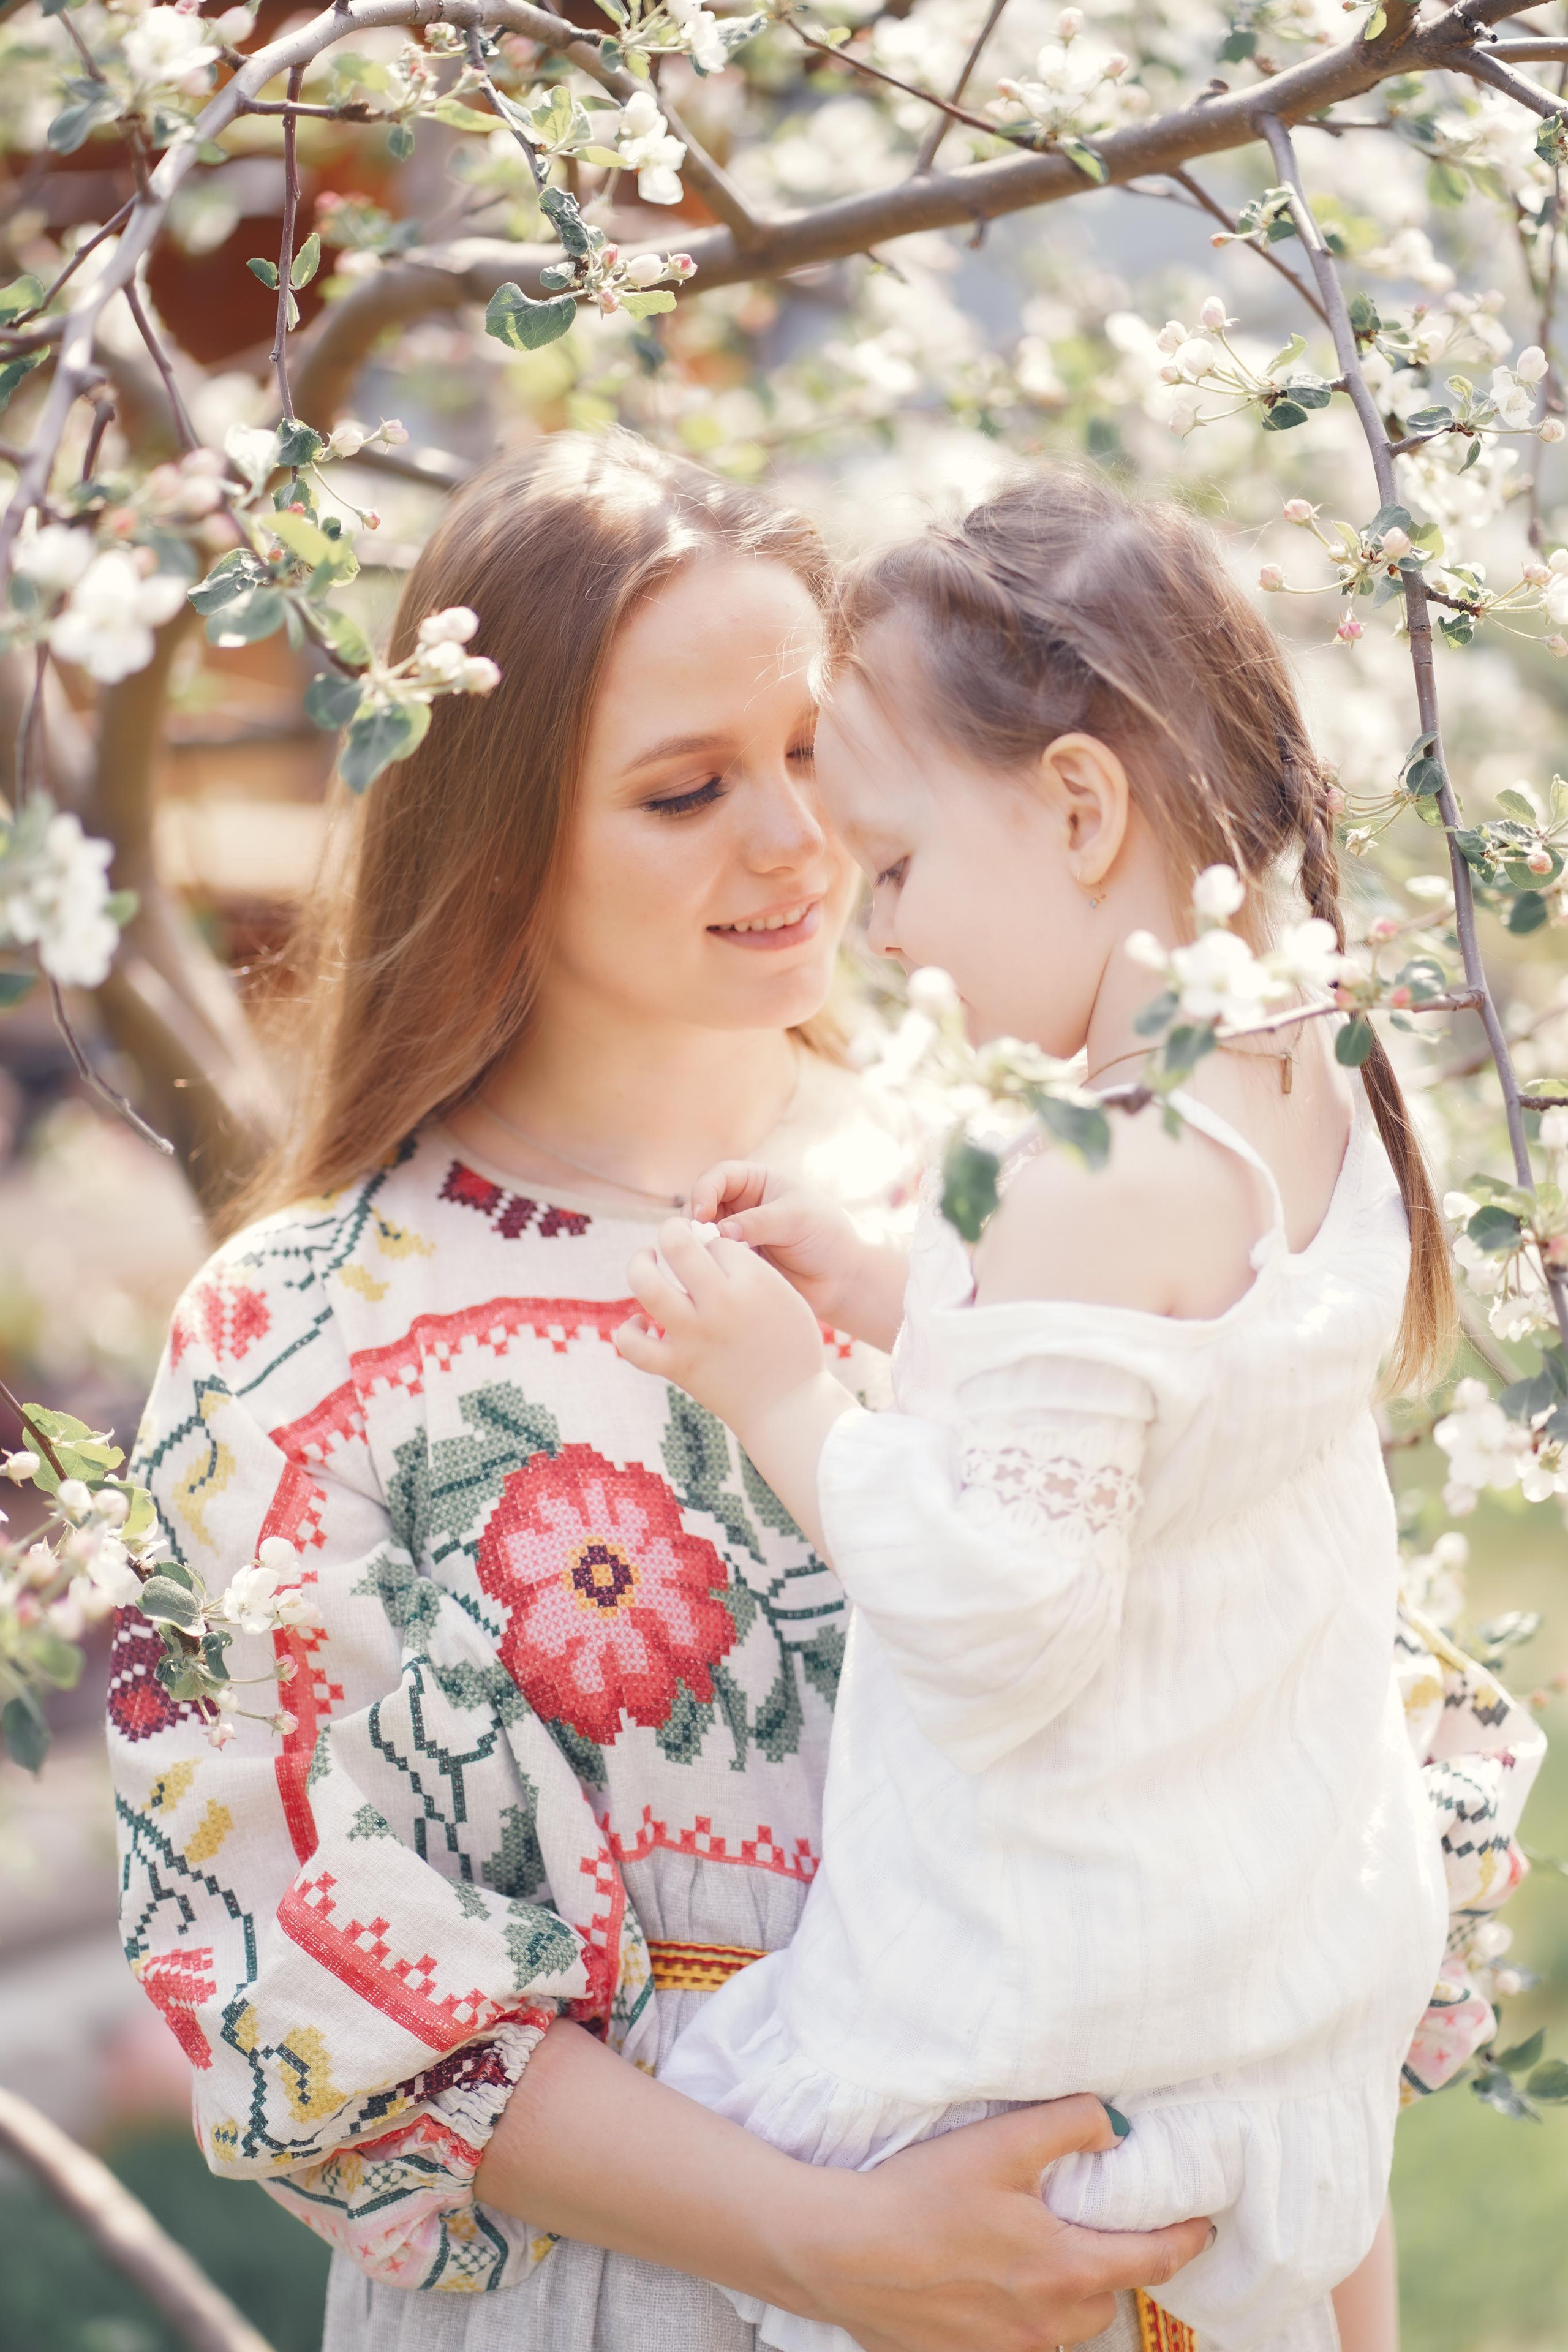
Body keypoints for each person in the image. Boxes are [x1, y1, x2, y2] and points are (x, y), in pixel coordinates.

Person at [108, 433, 1213, 2352]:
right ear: (499, 832)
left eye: (816, 753)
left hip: (1132, 2266)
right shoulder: (294, 1340)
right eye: (688, 790)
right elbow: (295, 1945)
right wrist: (825, 2246)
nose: (796, 842)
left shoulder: (1045, 1180)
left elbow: (1292, 1696)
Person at [617, 470, 1466, 2352]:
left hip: (1043, 2026)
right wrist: (895, 1287)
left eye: (898, 869)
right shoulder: (1300, 1067)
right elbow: (1158, 1397)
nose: (875, 931)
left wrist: (781, 1386)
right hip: (1257, 1954)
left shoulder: (1081, 1168)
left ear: (1081, 807)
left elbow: (998, 1617)